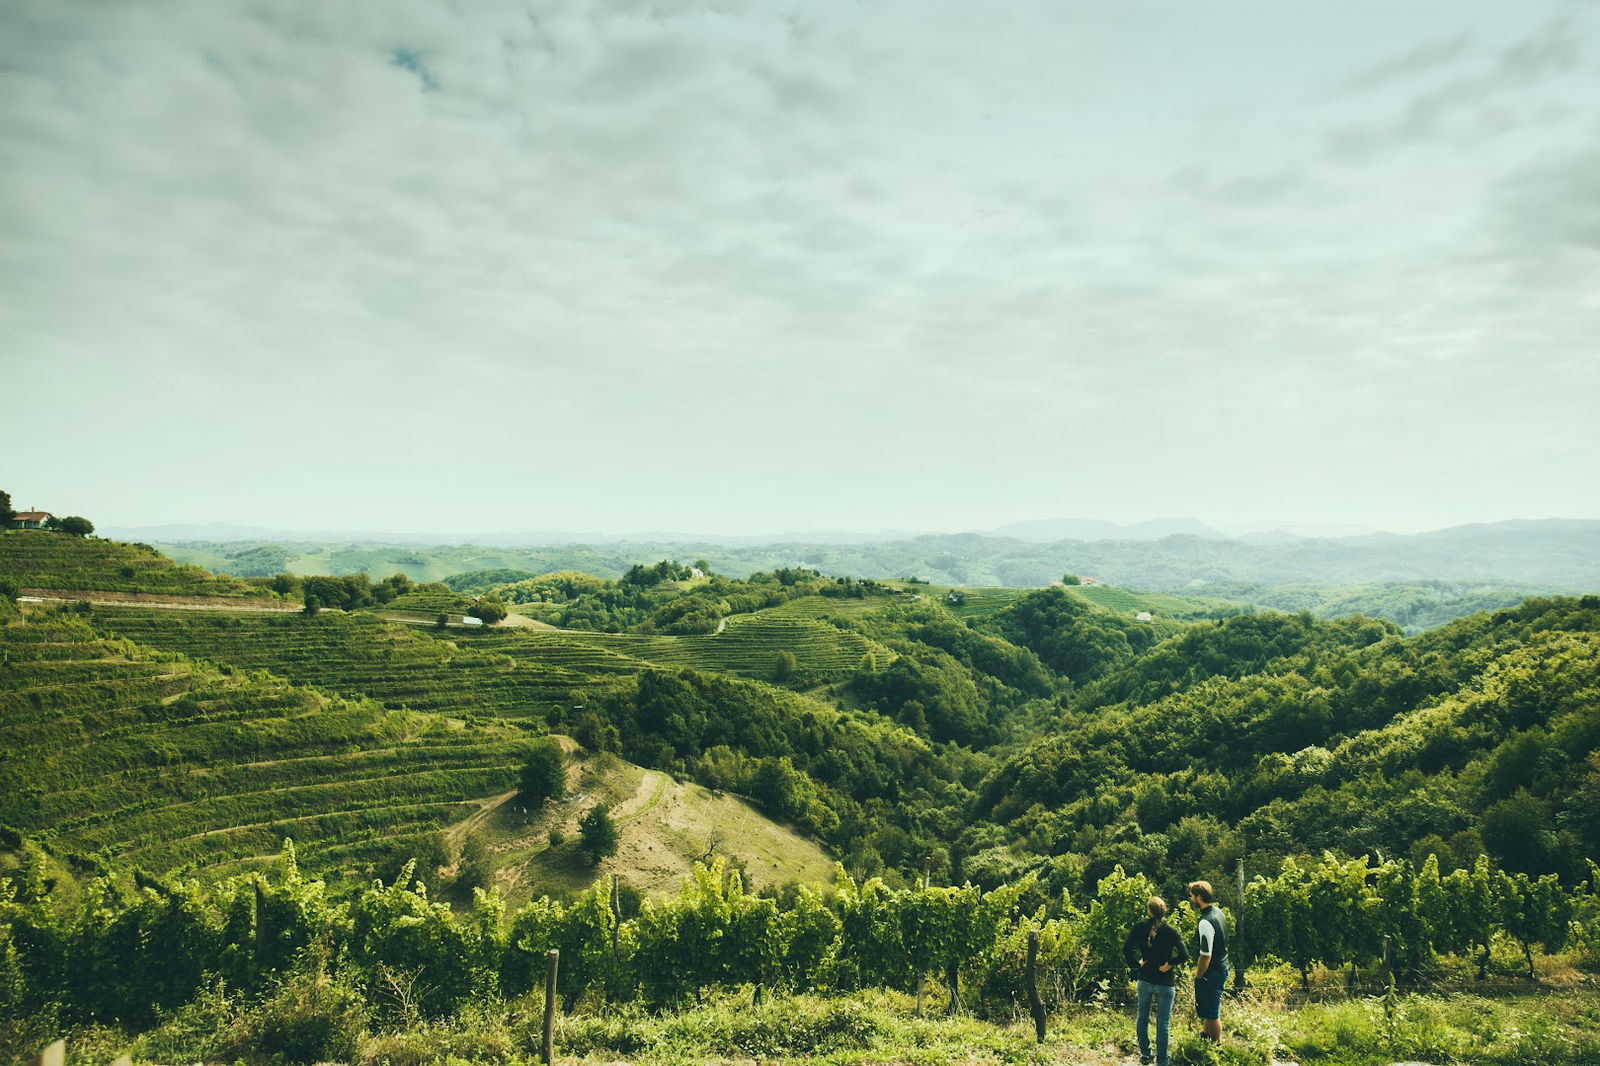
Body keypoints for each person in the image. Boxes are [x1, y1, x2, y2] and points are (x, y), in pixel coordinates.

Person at [1123, 895, 1187, 1066]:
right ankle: (1162, 1060)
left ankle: (1145, 1054)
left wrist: (1136, 965)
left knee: (1142, 1017)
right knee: (1163, 1022)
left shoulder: (1139, 927)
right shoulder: (1171, 932)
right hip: (1165, 983)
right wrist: (1170, 963)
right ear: (1164, 911)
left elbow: (1126, 949)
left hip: (1145, 980)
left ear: (1148, 910)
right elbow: (1184, 955)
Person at [1188, 880, 1229, 1042]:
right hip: (1222, 965)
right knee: (1209, 1007)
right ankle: (1206, 1036)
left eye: (1192, 896)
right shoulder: (1218, 912)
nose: (1191, 899)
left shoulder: (1205, 922)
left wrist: (1199, 975)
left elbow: (1205, 955)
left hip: (1211, 972)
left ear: (1198, 897)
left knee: (1212, 1013)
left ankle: (1215, 1045)